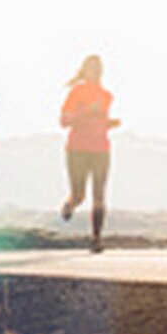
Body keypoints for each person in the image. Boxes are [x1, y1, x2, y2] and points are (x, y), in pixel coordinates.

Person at [60, 54, 120, 252]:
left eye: (98, 69)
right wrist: (86, 110)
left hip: (101, 149)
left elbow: (97, 123)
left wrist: (109, 124)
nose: (95, 72)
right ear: (84, 71)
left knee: (99, 194)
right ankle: (70, 204)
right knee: (79, 195)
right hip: (77, 149)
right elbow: (64, 121)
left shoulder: (106, 95)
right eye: (91, 68)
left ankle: (96, 238)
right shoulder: (76, 93)